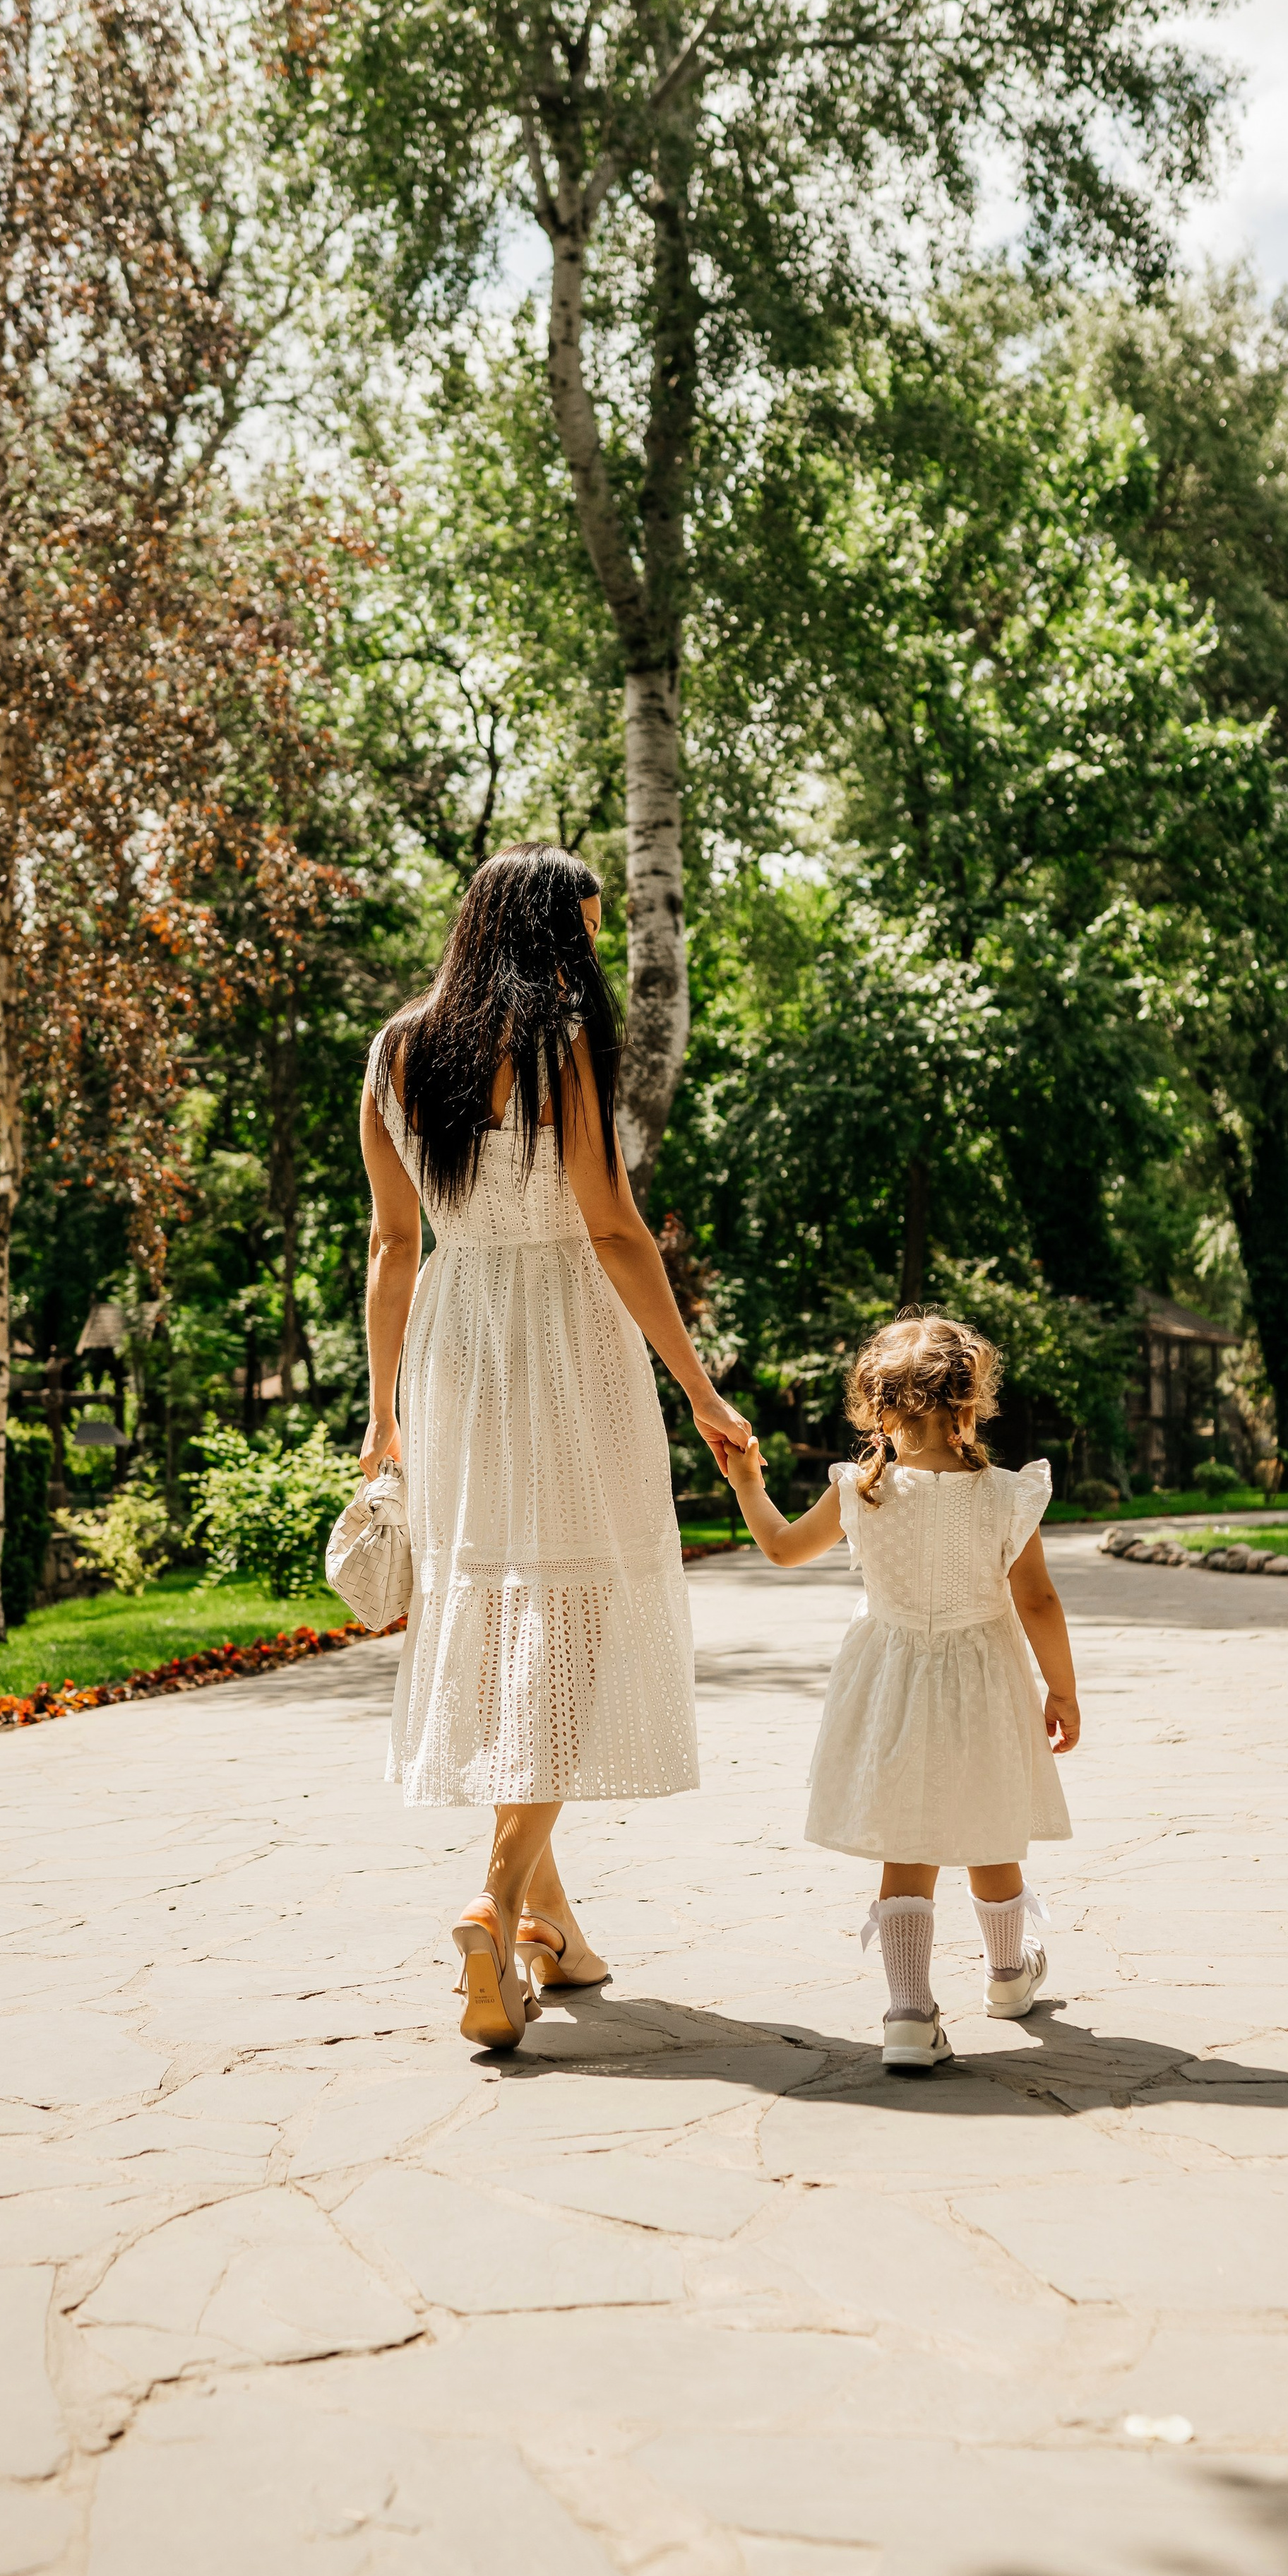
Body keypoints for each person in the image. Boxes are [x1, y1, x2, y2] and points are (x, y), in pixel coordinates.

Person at [360, 843, 752, 2050]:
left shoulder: (394, 1049)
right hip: (566, 1342)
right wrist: (698, 1388)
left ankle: (551, 1937)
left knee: (509, 1618)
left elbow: (389, 1245)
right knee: (576, 1629)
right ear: (546, 934)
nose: (589, 955)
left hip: (454, 1349)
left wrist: (382, 1417)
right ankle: (493, 1895)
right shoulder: (559, 1041)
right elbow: (615, 1225)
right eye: (582, 932)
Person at [718, 1311, 1080, 2074]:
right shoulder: (1006, 1496)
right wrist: (1062, 1691)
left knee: (907, 1846)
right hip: (983, 1685)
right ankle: (1010, 1978)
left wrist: (748, 1483)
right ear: (969, 1406)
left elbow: (782, 1548)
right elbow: (1038, 1601)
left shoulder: (861, 1493)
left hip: (889, 1688)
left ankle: (909, 2015)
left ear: (879, 1413)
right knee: (990, 1828)